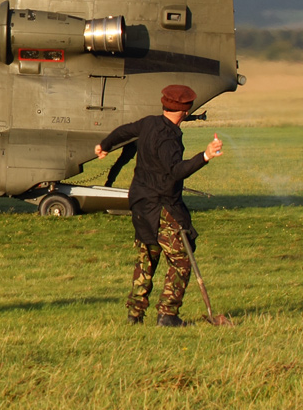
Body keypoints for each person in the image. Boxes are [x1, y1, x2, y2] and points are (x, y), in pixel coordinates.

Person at [94, 84, 223, 327]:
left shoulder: (149, 123)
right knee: (182, 262)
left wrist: (106, 144)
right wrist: (205, 156)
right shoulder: (169, 138)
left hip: (140, 204)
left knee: (147, 257)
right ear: (186, 110)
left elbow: (124, 131)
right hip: (162, 206)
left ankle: (135, 315)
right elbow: (176, 171)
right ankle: (168, 315)